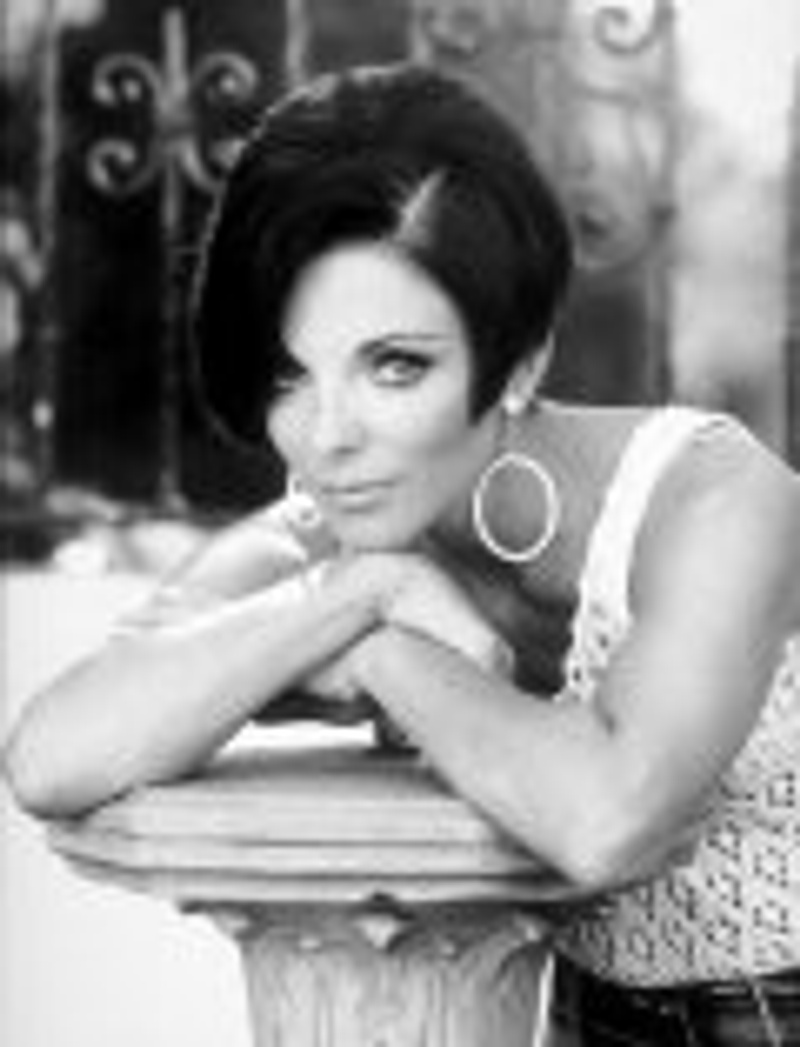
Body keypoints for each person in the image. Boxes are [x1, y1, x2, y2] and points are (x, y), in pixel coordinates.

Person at [4, 63, 800, 1045]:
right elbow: (51, 756)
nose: (328, 435)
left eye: (394, 366)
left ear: (520, 359)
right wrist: (360, 591)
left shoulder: (718, 502)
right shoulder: (344, 534)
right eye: (290, 375)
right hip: (584, 1019)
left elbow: (607, 821)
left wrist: (382, 654)